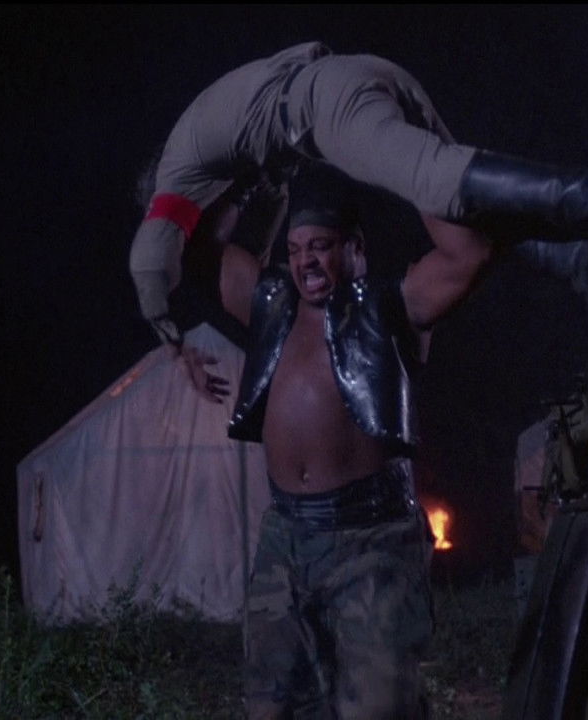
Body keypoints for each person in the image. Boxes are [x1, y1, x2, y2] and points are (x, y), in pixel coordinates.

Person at [177, 161, 493, 718]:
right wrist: (252, 180)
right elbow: (199, 252)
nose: (306, 262)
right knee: (274, 708)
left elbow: (468, 254)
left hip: (371, 540)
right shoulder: (271, 304)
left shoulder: (394, 305)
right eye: (296, 250)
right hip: (285, 537)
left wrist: (410, 160)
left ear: (355, 248)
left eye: (320, 246)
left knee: (378, 709)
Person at [128, 42, 588, 352]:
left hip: (322, 103)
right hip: (346, 85)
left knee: (436, 179)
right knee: (463, 211)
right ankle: (581, 260)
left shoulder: (176, 179)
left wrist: (173, 344)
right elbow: (261, 246)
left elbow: (149, 261)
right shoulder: (236, 161)